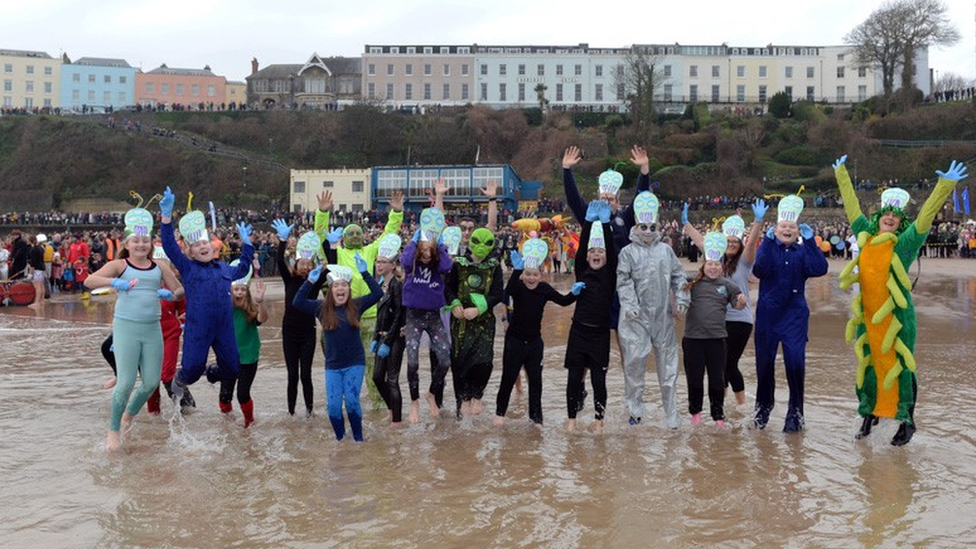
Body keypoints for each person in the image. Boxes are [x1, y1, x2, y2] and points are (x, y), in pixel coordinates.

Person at [834, 156, 967, 446]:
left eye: (896, 215)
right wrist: (841, 173)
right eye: (886, 212)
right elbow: (851, 205)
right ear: (879, 215)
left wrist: (945, 185)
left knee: (901, 365)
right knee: (869, 364)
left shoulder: (904, 244)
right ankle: (870, 413)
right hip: (868, 316)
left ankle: (906, 419)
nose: (890, 216)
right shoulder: (864, 235)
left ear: (900, 221)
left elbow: (925, 218)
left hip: (898, 318)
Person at [84, 207, 183, 451]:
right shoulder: (120, 265)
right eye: (136, 241)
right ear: (127, 243)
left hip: (152, 329)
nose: (141, 244)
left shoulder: (159, 266)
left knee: (150, 383)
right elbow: (89, 281)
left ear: (150, 243)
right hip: (126, 327)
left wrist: (169, 294)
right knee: (126, 383)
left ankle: (129, 415)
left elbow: (181, 290)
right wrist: (114, 282)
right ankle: (114, 429)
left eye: (145, 240)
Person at [158, 187, 253, 403]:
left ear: (212, 247)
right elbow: (170, 247)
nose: (203, 246)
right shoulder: (188, 268)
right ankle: (179, 380)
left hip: (223, 327)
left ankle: (211, 373)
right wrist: (166, 218)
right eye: (197, 245)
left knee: (232, 368)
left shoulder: (225, 269)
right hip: (198, 327)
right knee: (192, 369)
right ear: (190, 252)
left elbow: (244, 268)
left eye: (205, 243)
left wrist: (247, 245)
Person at [314, 190, 404, 410]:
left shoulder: (371, 250)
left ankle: (380, 406)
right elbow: (319, 236)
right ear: (343, 238)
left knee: (373, 366)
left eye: (357, 232)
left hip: (371, 315)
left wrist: (397, 212)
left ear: (364, 235)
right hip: (343, 316)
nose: (354, 235)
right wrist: (323, 212)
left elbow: (389, 235)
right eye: (350, 233)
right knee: (340, 362)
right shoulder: (338, 253)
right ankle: (343, 402)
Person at [752, 193, 829, 432]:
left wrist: (810, 243)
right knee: (764, 366)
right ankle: (762, 411)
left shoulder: (802, 251)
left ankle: (795, 415)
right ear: (776, 230)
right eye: (783, 226)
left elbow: (820, 268)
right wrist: (765, 242)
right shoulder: (769, 248)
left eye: (792, 227)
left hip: (794, 316)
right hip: (767, 315)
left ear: (797, 231)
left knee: (795, 364)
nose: (787, 230)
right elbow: (759, 270)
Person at [683, 200, 767, 406]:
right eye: (727, 241)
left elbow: (751, 243)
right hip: (718, 321)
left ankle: (741, 405)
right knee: (720, 365)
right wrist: (686, 224)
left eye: (734, 242)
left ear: (739, 245)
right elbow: (701, 242)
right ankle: (723, 403)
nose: (731, 244)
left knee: (729, 364)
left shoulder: (745, 262)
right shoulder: (715, 263)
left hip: (740, 320)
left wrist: (757, 221)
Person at [616, 191, 688, 428]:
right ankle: (635, 412)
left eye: (651, 226)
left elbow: (680, 278)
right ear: (635, 226)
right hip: (634, 320)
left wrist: (681, 300)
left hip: (662, 318)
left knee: (669, 369)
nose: (647, 231)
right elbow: (623, 281)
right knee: (634, 366)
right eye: (643, 226)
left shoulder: (666, 251)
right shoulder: (627, 253)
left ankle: (672, 416)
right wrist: (630, 305)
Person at [293, 255, 382, 442]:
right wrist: (310, 280)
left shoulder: (356, 306)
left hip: (354, 363)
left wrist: (365, 272)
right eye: (336, 285)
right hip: (333, 365)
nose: (340, 288)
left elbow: (377, 294)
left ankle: (358, 439)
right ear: (331, 290)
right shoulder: (321, 308)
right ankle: (340, 439)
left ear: (349, 289)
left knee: (351, 403)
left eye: (344, 285)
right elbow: (297, 302)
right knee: (333, 407)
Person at [494, 238, 581, 426]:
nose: (531, 278)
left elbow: (564, 301)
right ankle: (499, 416)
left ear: (541, 275)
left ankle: (536, 420)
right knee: (507, 379)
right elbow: (506, 294)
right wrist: (516, 270)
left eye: (535, 274)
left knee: (536, 383)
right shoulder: (517, 286)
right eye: (528, 274)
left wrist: (575, 293)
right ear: (523, 274)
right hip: (514, 341)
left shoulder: (544, 289)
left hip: (534, 344)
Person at [679, 232, 747, 427]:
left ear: (721, 267)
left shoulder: (728, 286)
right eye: (710, 264)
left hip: (717, 340)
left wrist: (741, 302)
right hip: (693, 340)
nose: (713, 267)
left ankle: (718, 417)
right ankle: (696, 415)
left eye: (717, 264)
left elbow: (738, 305)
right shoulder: (692, 283)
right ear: (704, 265)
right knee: (695, 380)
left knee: (718, 381)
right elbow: (676, 288)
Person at [565, 203, 617, 432]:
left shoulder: (609, 275)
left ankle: (599, 419)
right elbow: (582, 246)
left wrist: (605, 224)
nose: (596, 254)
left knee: (598, 380)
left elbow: (613, 254)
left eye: (600, 252)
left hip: (599, 334)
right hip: (578, 331)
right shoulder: (581, 271)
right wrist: (586, 223)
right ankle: (571, 420)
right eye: (593, 252)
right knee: (574, 378)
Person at [400, 208, 454, 422]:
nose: (425, 255)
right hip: (413, 316)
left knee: (445, 359)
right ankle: (414, 402)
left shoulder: (438, 263)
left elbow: (448, 265)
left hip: (434, 317)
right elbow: (404, 262)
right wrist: (415, 240)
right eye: (422, 252)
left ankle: (431, 393)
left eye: (428, 252)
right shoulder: (411, 263)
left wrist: (438, 242)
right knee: (412, 361)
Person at [445, 226, 504, 418]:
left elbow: (498, 294)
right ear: (470, 243)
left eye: (486, 243)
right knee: (460, 362)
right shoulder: (458, 265)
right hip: (460, 323)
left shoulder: (494, 266)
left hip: (484, 322)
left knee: (484, 360)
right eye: (476, 241)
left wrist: (479, 309)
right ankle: (462, 402)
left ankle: (477, 394)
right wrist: (454, 303)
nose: (480, 247)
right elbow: (448, 288)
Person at [271, 219, 327, 417]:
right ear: (296, 264)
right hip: (289, 333)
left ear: (312, 265)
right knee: (292, 375)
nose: (304, 267)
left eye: (308, 264)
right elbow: (279, 261)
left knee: (306, 374)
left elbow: (330, 267)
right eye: (301, 263)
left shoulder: (314, 283)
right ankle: (292, 413)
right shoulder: (290, 279)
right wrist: (282, 240)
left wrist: (327, 248)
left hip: (307, 333)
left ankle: (310, 412)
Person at [219, 265, 268, 428]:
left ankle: (249, 423)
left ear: (246, 292)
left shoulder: (251, 308)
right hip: (228, 357)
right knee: (224, 396)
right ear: (230, 291)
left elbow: (262, 319)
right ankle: (228, 424)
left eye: (242, 289)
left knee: (242, 394)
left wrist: (261, 302)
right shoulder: (224, 308)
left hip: (248, 356)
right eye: (236, 289)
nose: (239, 293)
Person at [369, 234, 407, 427]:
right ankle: (392, 409)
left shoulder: (397, 286)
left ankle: (397, 421)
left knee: (392, 379)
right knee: (377, 377)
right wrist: (376, 337)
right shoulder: (380, 286)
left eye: (383, 262)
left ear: (393, 265)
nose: (379, 265)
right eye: (377, 262)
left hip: (395, 339)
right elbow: (380, 315)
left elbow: (400, 314)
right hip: (383, 338)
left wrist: (389, 341)